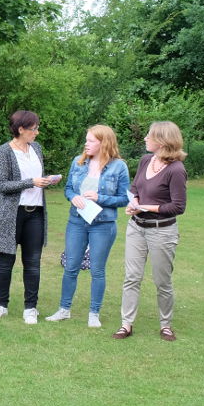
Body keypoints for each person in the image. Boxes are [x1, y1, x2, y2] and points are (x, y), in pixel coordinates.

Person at [45, 125, 130, 327]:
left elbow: (124, 199)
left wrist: (101, 198)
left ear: (104, 143)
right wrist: (73, 197)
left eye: (91, 140)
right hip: (77, 222)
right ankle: (64, 310)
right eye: (87, 139)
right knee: (71, 267)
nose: (86, 144)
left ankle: (94, 314)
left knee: (97, 270)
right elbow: (67, 189)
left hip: (103, 225)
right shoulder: (78, 161)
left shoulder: (119, 167)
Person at [113, 121, 187, 341]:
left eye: (149, 135)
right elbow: (135, 187)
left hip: (162, 231)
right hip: (137, 227)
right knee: (131, 277)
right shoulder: (146, 160)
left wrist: (147, 207)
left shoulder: (176, 170)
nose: (145, 138)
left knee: (162, 281)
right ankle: (126, 324)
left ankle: (166, 324)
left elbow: (178, 206)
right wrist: (133, 202)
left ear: (162, 140)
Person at [0, 110, 59, 325]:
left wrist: (45, 181)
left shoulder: (36, 148)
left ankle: (31, 308)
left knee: (33, 262)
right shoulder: (3, 151)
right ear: (21, 129)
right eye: (34, 128)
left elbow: (36, 179)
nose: (37, 132)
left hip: (35, 213)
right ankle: (1, 305)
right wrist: (31, 182)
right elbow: (2, 185)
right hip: (10, 214)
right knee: (5, 261)